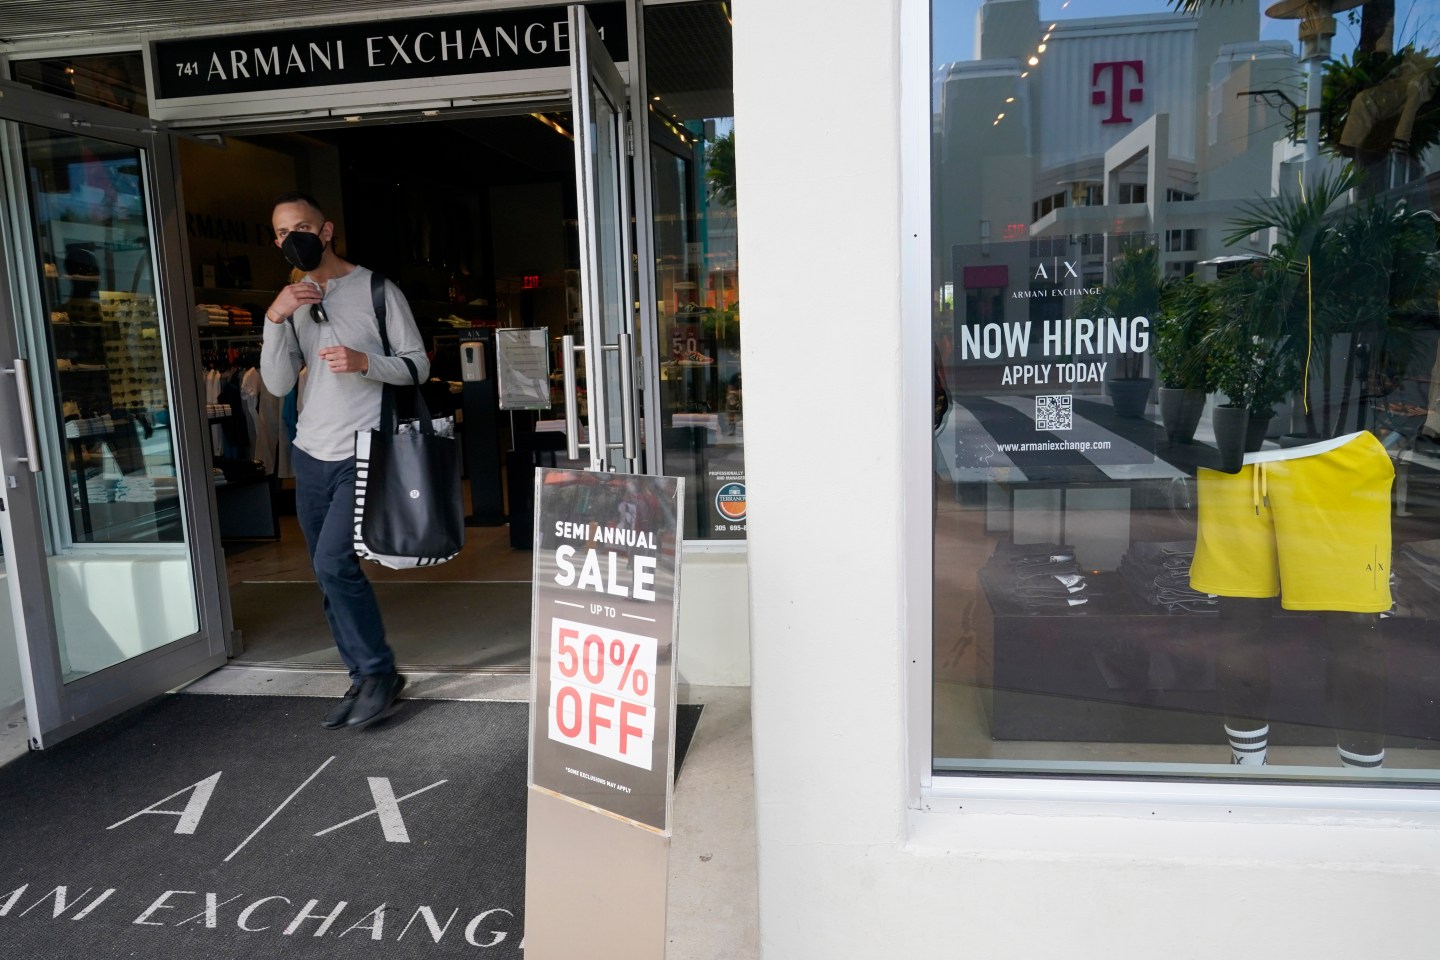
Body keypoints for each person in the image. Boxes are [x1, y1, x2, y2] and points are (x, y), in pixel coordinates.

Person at [260, 191, 430, 729]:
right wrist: (275, 316)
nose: (292, 239)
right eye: (282, 233)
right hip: (310, 453)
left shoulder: (378, 290)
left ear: (326, 230)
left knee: (335, 563)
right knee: (325, 571)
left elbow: (419, 366)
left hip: (365, 448)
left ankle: (378, 672)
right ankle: (361, 674)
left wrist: (365, 362)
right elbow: (277, 384)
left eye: (301, 227)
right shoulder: (290, 302)